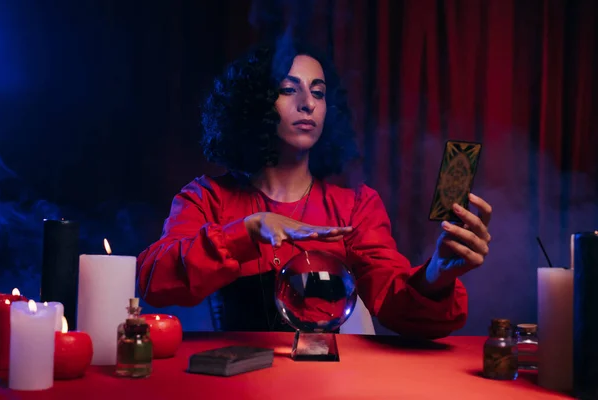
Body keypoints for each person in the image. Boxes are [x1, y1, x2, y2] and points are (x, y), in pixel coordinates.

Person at [136, 38, 492, 339]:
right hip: (231, 383)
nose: (307, 103)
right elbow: (154, 278)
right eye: (288, 89)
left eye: (318, 93)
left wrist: (437, 274)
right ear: (255, 103)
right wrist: (247, 230)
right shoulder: (206, 198)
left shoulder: (355, 206)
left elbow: (394, 303)